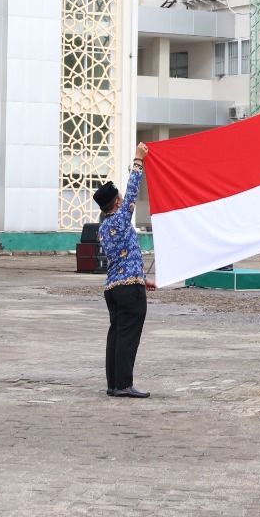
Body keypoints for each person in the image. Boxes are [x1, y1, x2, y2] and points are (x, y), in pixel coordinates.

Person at [97, 143, 153, 398]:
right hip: (129, 290)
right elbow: (132, 194)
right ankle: (124, 385)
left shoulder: (102, 228)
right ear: (117, 202)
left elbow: (123, 259)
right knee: (128, 337)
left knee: (117, 336)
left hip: (115, 288)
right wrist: (138, 161)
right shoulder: (120, 220)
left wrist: (142, 279)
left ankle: (113, 384)